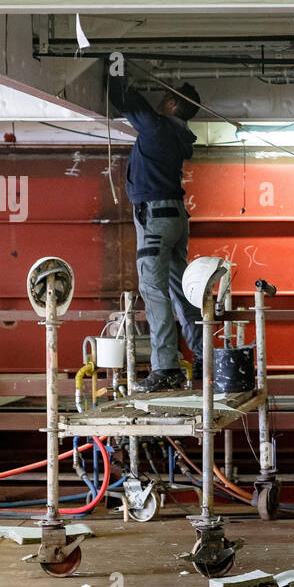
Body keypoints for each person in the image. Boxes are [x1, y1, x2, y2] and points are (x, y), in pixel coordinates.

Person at [108, 73, 206, 393]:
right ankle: (204, 355)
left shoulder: (156, 128)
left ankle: (165, 367)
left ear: (173, 103)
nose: (161, 99)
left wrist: (114, 69)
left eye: (167, 96)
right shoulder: (178, 137)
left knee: (154, 290)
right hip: (176, 217)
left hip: (155, 219)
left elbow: (125, 100)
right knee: (182, 290)